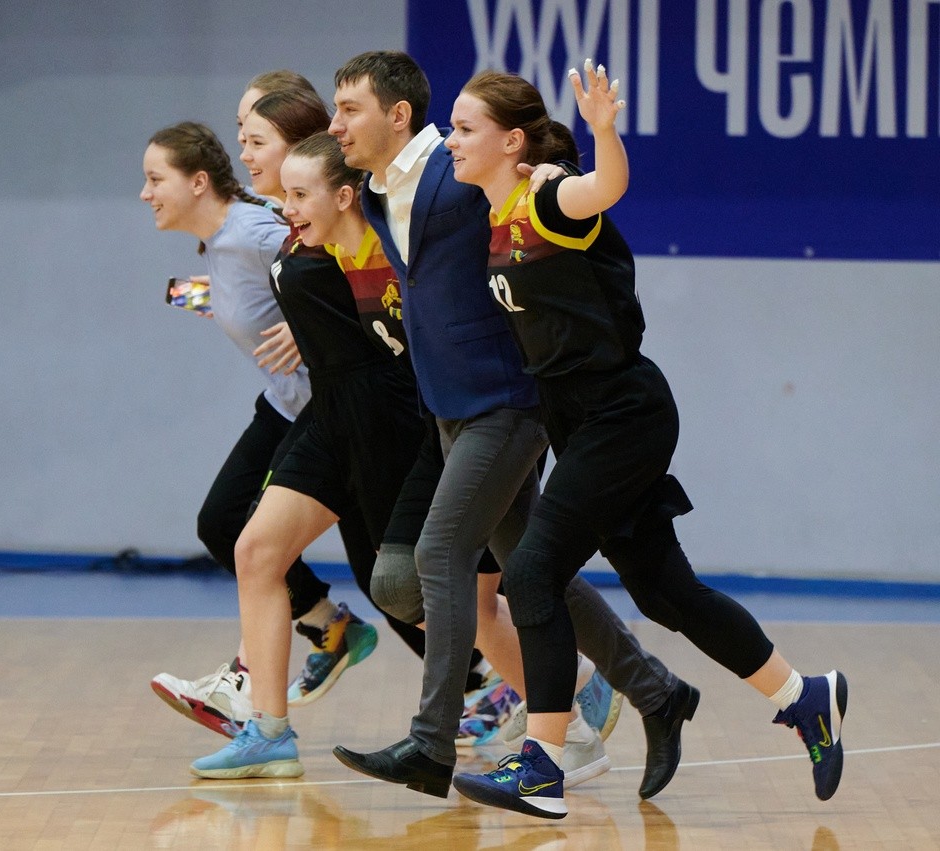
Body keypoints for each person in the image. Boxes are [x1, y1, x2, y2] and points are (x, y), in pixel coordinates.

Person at [444, 64, 847, 819]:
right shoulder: (495, 216)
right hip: (582, 421)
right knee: (665, 592)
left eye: (465, 128)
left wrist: (603, 131)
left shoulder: (549, 198)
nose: (451, 140)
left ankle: (543, 767)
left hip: (622, 412)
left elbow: (606, 187)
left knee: (530, 574)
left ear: (513, 140)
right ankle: (803, 695)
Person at [325, 50, 699, 802]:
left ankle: (431, 743)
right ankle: (656, 691)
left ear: (397, 115)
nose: (337, 124)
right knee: (535, 569)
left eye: (350, 109)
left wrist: (567, 162)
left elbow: (541, 185)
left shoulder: (458, 165)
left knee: (440, 554)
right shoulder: (373, 191)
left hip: (508, 399)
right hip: (449, 404)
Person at [191, 93, 427, 780]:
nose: (245, 152)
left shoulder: (368, 233)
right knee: (254, 550)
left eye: (256, 138)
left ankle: (567, 681)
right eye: (241, 137)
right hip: (326, 416)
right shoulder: (285, 228)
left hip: (383, 419)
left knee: (416, 592)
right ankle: (269, 730)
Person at [140, 121, 380, 735]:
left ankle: (504, 683)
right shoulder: (221, 244)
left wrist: (305, 326)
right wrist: (188, 295)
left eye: (155, 179)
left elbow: (332, 261)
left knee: (388, 575)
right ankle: (315, 640)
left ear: (198, 182)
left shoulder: (255, 230)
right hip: (289, 405)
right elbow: (252, 298)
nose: (145, 193)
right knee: (232, 529)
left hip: (334, 408)